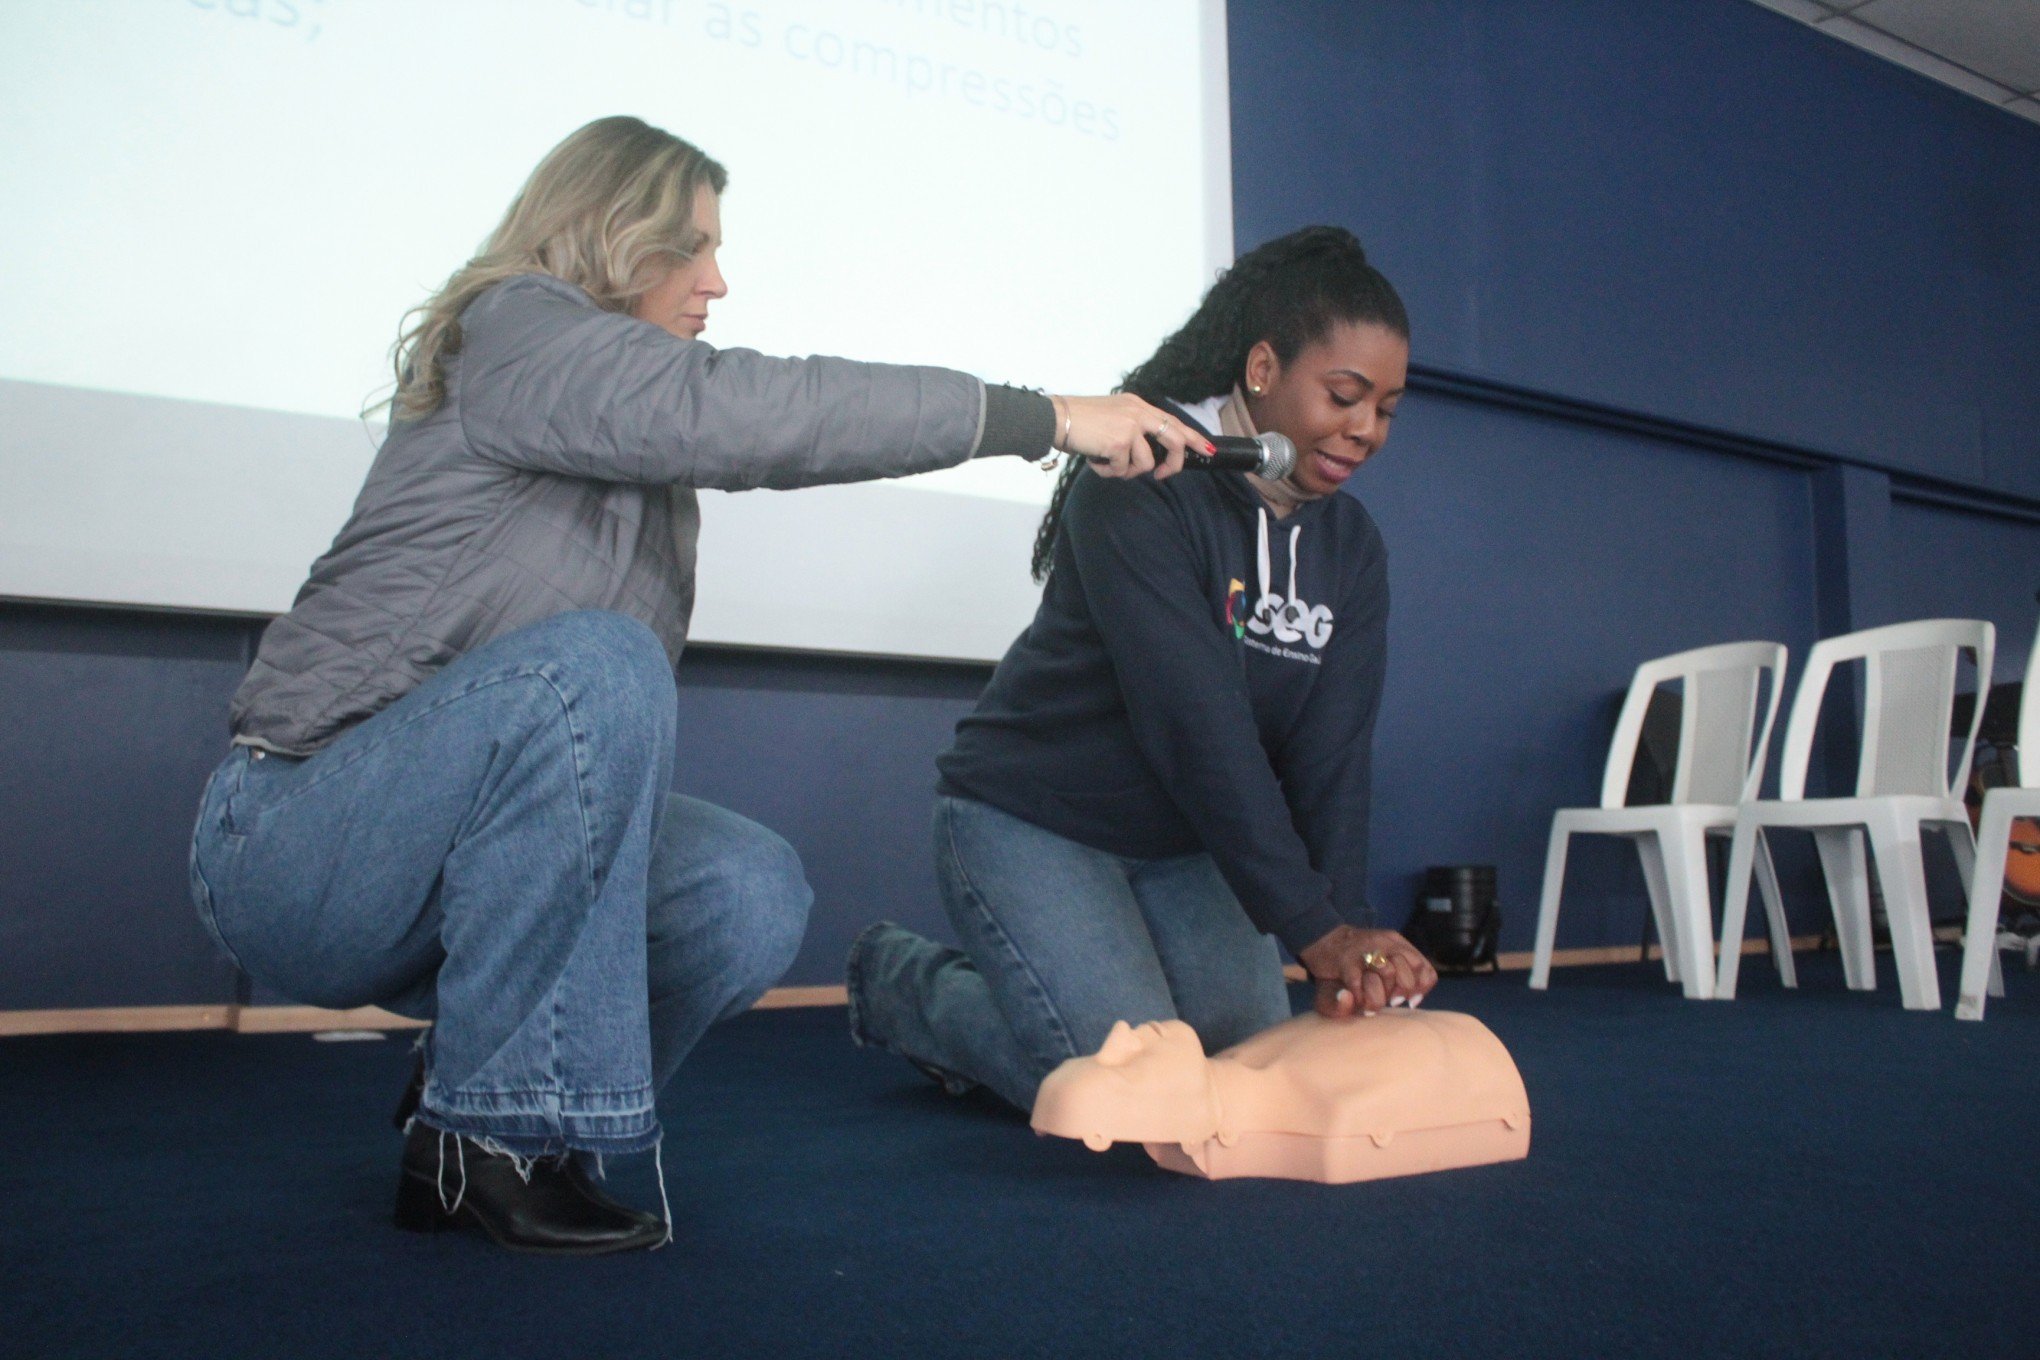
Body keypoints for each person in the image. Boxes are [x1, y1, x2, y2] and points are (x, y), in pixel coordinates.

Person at [185, 115, 1209, 1256]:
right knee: (598, 664)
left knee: (744, 889)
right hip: (300, 838)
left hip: (440, 864)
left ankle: (478, 1121)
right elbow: (760, 410)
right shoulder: (516, 327)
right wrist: (1050, 417)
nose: (719, 282)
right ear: (613, 234)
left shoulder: (642, 471)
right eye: (696, 246)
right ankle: (498, 1136)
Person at [846, 226, 1440, 1115]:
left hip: (1184, 848)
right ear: (1265, 369)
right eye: (1346, 395)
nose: (1364, 430)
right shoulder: (1140, 481)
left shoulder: (1351, 548)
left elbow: (1332, 755)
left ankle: (1043, 991)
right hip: (1037, 825)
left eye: (1386, 409)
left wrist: (1346, 927)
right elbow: (1195, 725)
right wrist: (1311, 929)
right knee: (1146, 1100)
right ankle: (911, 990)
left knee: (1243, 1072)